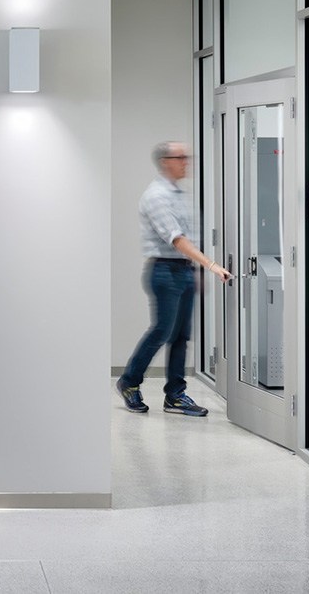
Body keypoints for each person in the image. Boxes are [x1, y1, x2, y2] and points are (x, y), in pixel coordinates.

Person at [117, 140, 229, 417]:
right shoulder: (156, 196)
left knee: (181, 336)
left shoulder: (179, 194)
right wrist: (211, 265)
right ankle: (129, 382)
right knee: (162, 331)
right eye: (181, 157)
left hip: (183, 271)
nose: (186, 161)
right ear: (166, 161)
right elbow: (176, 239)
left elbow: (188, 240)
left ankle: (175, 395)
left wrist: (196, 270)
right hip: (164, 272)